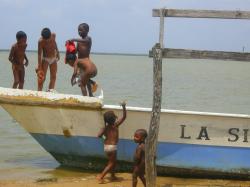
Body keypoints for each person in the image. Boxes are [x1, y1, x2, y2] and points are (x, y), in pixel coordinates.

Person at [97, 102, 127, 183]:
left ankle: (112, 176)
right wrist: (124, 107)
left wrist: (105, 138)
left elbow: (98, 135)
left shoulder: (104, 128)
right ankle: (101, 177)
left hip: (106, 147)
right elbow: (124, 117)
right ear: (114, 119)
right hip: (113, 147)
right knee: (111, 163)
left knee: (113, 162)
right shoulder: (116, 125)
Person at [69, 23, 97, 96]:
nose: (79, 32)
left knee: (81, 83)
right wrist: (70, 47)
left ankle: (85, 99)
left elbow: (85, 41)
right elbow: (76, 51)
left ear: (87, 30)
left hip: (86, 61)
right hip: (85, 66)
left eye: (81, 30)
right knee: (86, 80)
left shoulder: (88, 39)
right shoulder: (79, 42)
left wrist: (73, 39)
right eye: (78, 30)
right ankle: (90, 95)